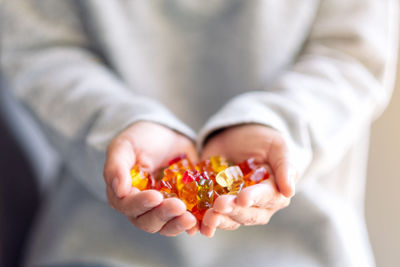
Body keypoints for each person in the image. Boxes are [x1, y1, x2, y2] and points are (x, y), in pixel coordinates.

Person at [1, 0, 398, 266]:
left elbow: (353, 52)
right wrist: (115, 124)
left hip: (303, 249)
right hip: (95, 247)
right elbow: (38, 43)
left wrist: (279, 126)